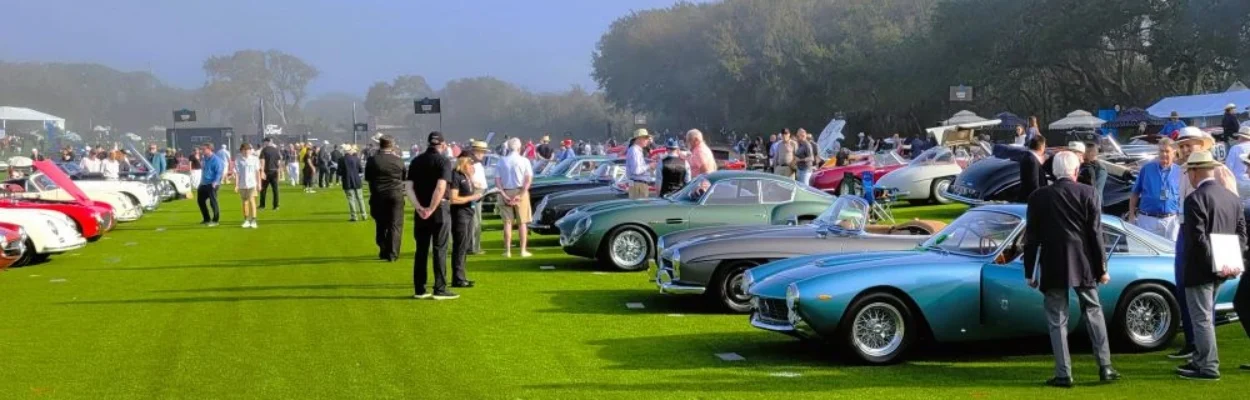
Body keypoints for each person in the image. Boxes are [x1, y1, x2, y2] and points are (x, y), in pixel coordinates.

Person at [1023, 150, 1118, 388]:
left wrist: (1029, 272)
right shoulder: (1089, 193)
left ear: (1054, 173)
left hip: (1052, 262)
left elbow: (1031, 239)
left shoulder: (1038, 197)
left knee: (1057, 319)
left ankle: (1064, 373)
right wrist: (1102, 268)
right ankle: (1105, 366)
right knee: (1094, 313)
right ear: (1076, 172)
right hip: (1083, 261)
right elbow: (1095, 234)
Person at [1175, 150, 1246, 381]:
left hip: (1202, 269)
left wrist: (1214, 264)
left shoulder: (1194, 199)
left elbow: (1197, 240)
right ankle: (1201, 361)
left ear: (1195, 172)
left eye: (1190, 172)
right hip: (1223, 267)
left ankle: (1208, 366)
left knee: (1202, 318)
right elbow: (1241, 235)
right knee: (1205, 316)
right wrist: (1232, 261)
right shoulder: (1231, 198)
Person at [406, 131, 457, 300]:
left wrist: (419, 207)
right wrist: (431, 208)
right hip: (439, 209)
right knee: (439, 249)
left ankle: (419, 289)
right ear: (442, 145)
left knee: (421, 250)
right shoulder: (444, 161)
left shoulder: (416, 161)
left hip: (420, 211)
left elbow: (408, 188)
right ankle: (440, 288)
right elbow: (441, 187)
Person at [1128, 139, 1181, 239]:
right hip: (1147, 220)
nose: (1163, 154)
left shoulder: (1180, 172)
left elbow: (1184, 196)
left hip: (1171, 221)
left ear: (1174, 153)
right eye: (1161, 151)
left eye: (1167, 151)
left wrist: (1182, 219)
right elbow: (1135, 193)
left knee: (1172, 252)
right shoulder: (1147, 169)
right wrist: (1131, 215)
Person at [365, 136, 406, 261]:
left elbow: (368, 177)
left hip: (378, 195)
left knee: (381, 223)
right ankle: (393, 253)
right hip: (395, 194)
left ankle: (383, 248)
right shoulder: (398, 161)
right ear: (392, 145)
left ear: (379, 145)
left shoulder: (373, 160)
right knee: (395, 224)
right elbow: (403, 177)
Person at [495, 137, 534, 258]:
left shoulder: (502, 161)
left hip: (505, 190)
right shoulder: (524, 161)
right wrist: (521, 195)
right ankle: (522, 250)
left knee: (507, 223)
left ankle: (507, 251)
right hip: (520, 190)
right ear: (519, 147)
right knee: (522, 223)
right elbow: (528, 180)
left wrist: (504, 194)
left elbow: (497, 181)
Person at [448, 155, 481, 288]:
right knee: (460, 246)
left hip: (468, 212)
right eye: (470, 164)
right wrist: (472, 197)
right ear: (463, 164)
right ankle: (458, 278)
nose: (472, 166)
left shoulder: (467, 177)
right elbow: (454, 199)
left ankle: (461, 276)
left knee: (465, 245)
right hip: (460, 214)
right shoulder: (456, 176)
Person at [468, 141, 490, 255]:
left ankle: (474, 246)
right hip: (475, 193)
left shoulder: (476, 163)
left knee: (476, 221)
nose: (483, 155)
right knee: (475, 221)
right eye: (482, 152)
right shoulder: (471, 164)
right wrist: (476, 185)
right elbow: (469, 179)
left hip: (479, 192)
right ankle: (473, 247)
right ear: (476, 152)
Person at [197, 143, 226, 227]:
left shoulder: (216, 160)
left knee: (213, 202)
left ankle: (215, 220)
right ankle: (206, 219)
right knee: (200, 201)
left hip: (212, 184)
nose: (202, 151)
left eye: (204, 149)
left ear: (210, 149)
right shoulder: (205, 159)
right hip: (203, 183)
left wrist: (215, 182)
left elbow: (219, 172)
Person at [234, 143, 261, 228]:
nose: (246, 151)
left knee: (252, 201)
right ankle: (246, 220)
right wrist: (236, 185)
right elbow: (237, 174)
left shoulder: (254, 159)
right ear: (241, 151)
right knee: (245, 202)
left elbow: (257, 172)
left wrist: (259, 184)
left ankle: (253, 220)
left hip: (252, 183)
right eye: (244, 150)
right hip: (242, 184)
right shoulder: (238, 160)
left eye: (248, 150)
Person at [340, 145, 367, 222]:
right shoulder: (356, 159)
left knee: (351, 199)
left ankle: (354, 216)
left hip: (347, 181)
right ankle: (364, 214)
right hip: (357, 180)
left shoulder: (341, 160)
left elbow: (339, 172)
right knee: (360, 199)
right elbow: (361, 170)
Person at [624, 129, 653, 199]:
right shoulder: (635, 151)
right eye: (646, 138)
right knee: (641, 208)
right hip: (638, 185)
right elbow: (636, 170)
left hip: (637, 184)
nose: (647, 140)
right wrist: (650, 166)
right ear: (639, 139)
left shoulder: (635, 150)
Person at [1017, 136, 1047, 203]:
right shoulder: (1032, 160)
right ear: (1042, 146)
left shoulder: (1029, 157)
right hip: (1031, 201)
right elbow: (1034, 184)